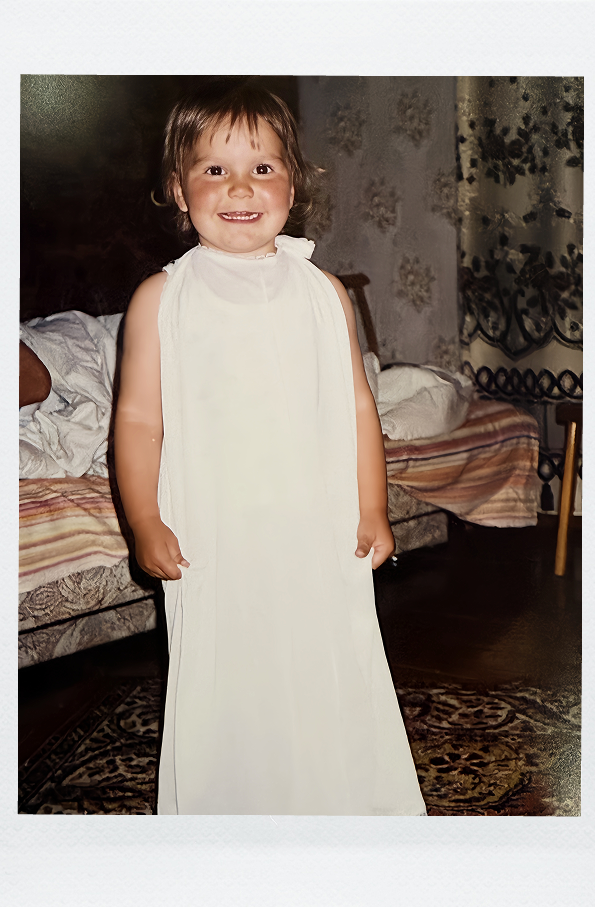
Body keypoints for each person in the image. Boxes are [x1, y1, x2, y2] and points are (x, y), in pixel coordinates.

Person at [114, 82, 427, 815]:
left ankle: (338, 807)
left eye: (262, 167)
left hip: (313, 528)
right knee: (230, 674)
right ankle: (233, 816)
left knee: (327, 658)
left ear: (294, 183)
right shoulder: (162, 298)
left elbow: (357, 405)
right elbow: (137, 420)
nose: (240, 188)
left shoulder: (323, 291)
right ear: (178, 189)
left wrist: (373, 506)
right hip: (216, 533)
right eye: (214, 170)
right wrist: (144, 520)